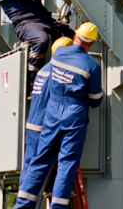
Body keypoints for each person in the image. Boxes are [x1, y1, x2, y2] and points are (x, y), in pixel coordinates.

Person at [15, 23, 104, 209]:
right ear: (92, 43)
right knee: (67, 163)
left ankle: (22, 205)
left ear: (76, 36)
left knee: (40, 160)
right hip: (74, 115)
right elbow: (96, 99)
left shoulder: (59, 56)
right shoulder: (91, 66)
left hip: (53, 113)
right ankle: (57, 207)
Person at [0, 0, 74, 92]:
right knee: (41, 39)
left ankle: (63, 71)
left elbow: (37, 7)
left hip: (43, 21)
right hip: (25, 24)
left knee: (70, 34)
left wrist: (55, 23)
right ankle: (32, 78)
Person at [20, 36, 73, 183]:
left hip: (33, 126)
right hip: (43, 129)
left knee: (29, 167)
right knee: (37, 173)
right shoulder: (59, 73)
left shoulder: (44, 70)